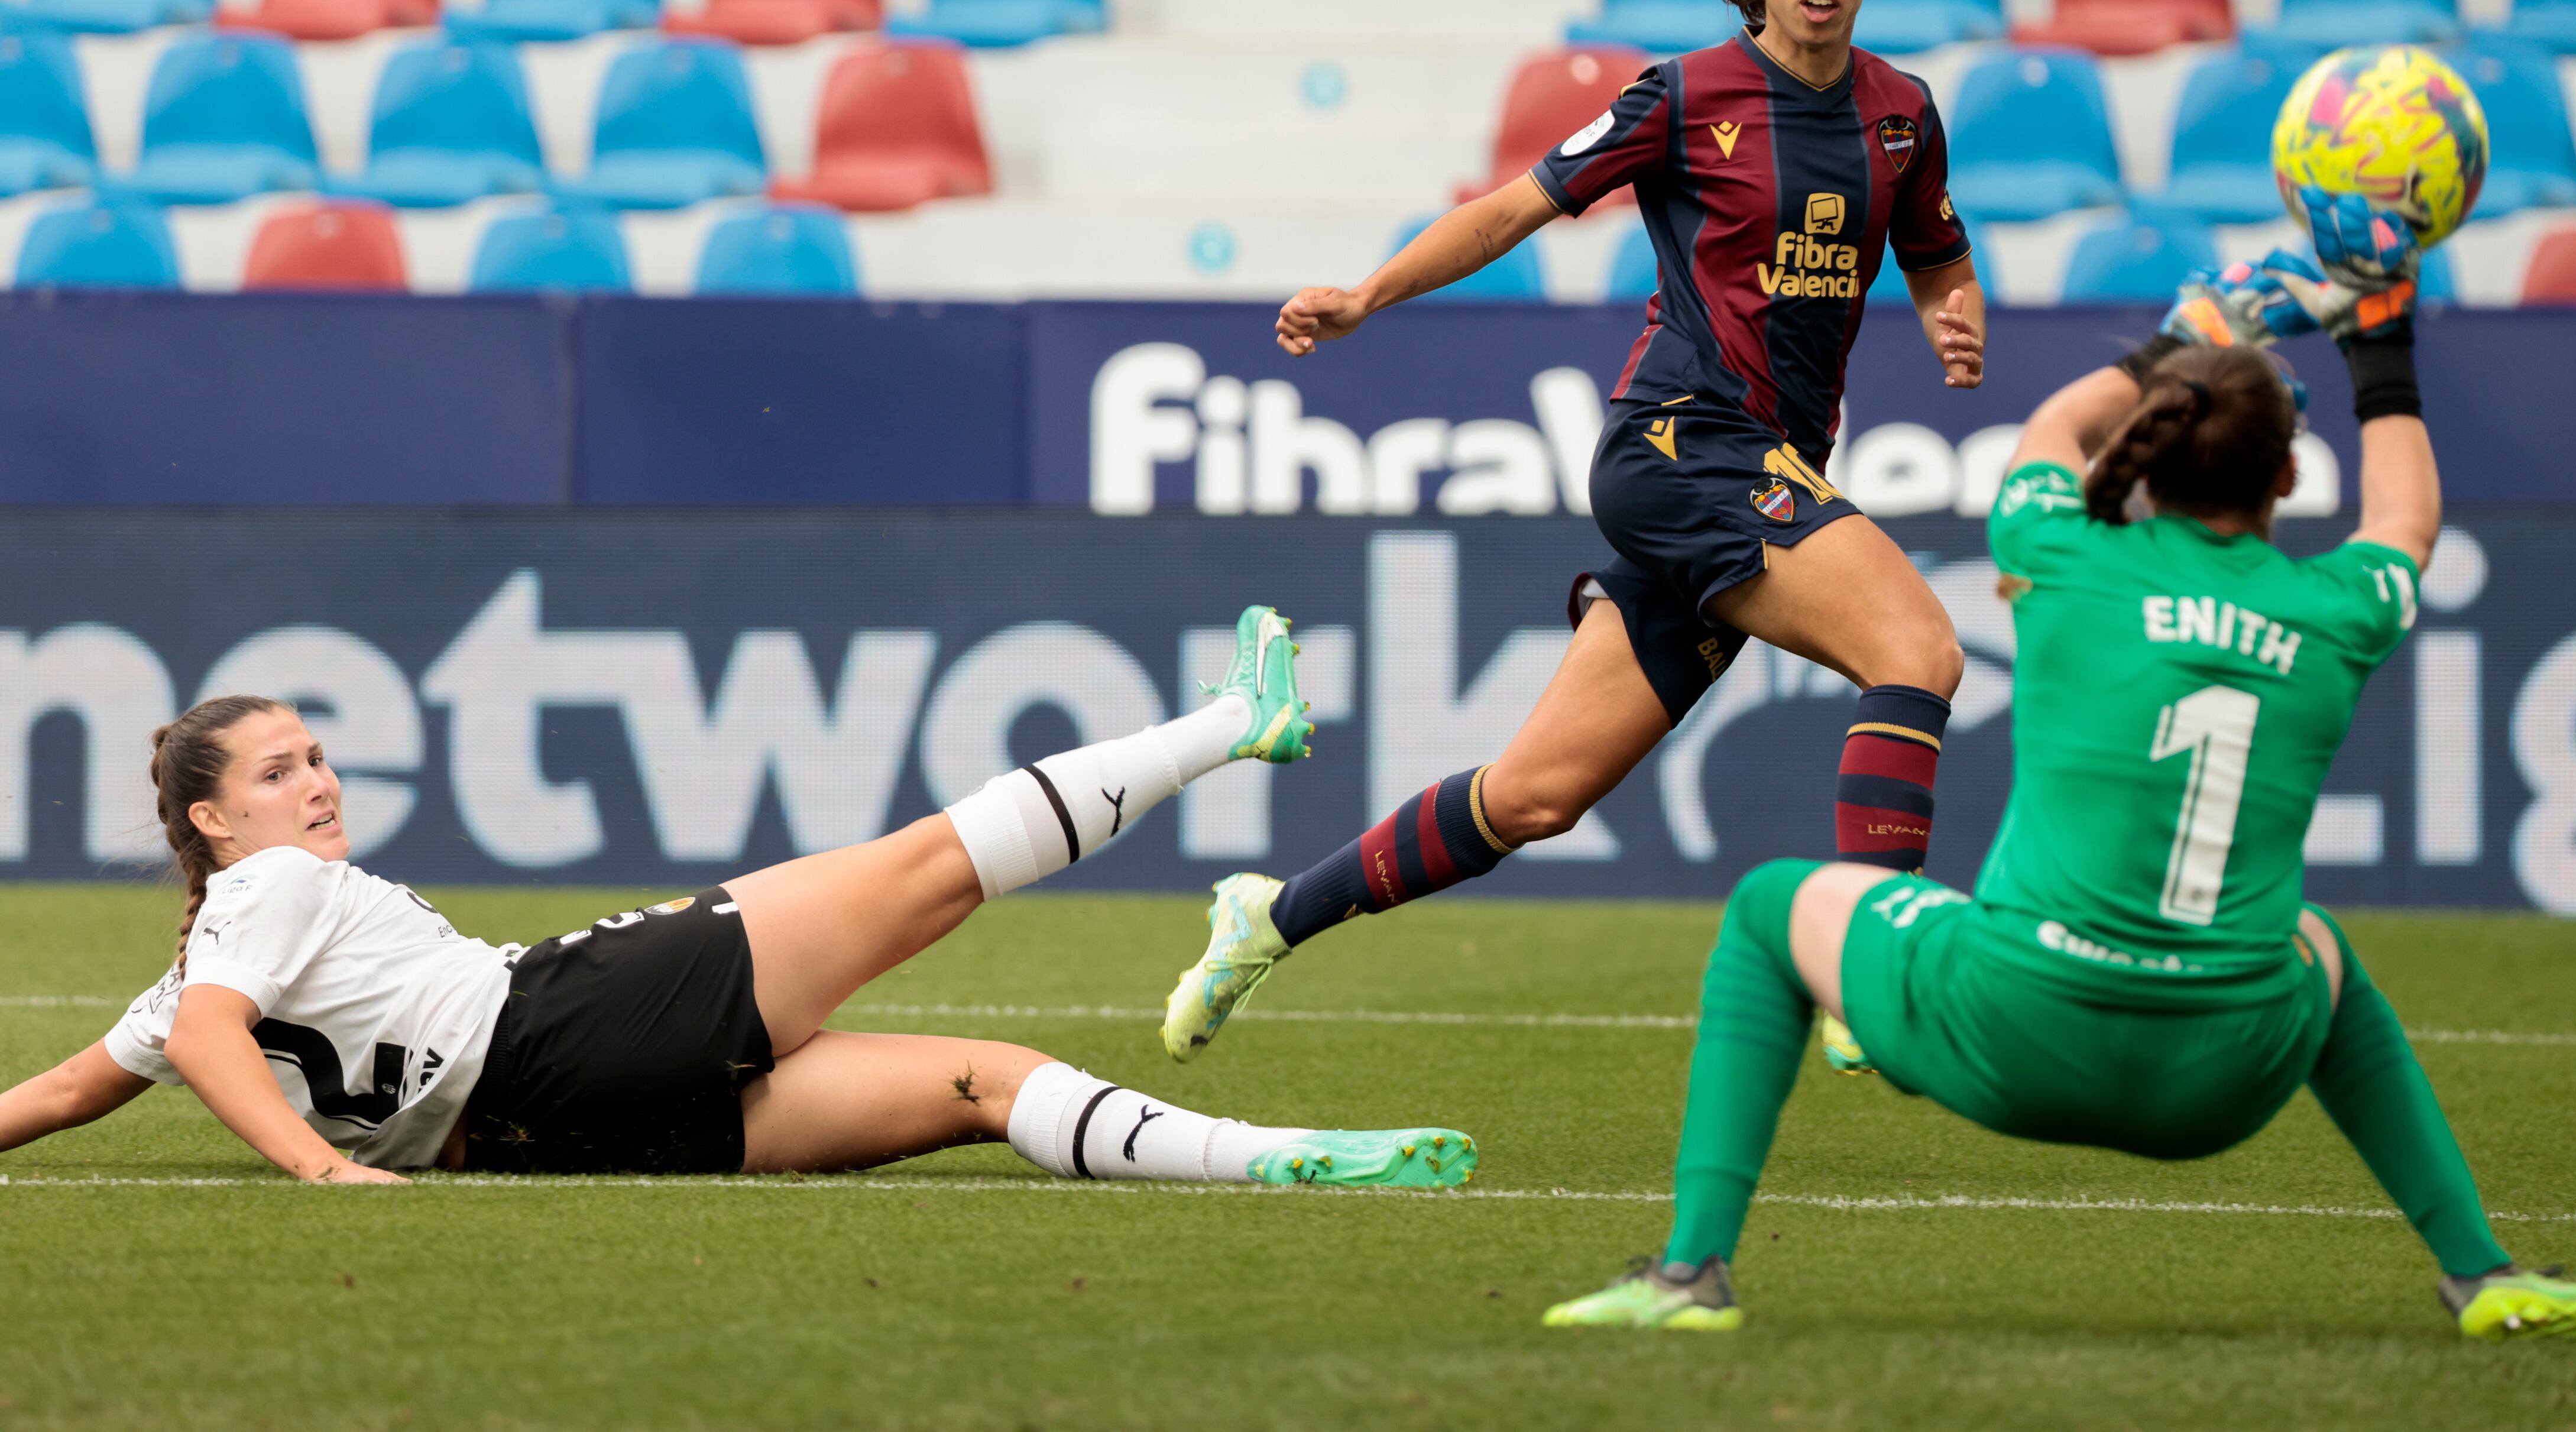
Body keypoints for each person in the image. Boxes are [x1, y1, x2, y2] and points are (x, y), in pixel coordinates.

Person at [1542, 221, 2576, 1341]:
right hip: (2225, 1076)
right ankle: (2483, 1273)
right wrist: (2382, 337)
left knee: (1769, 908)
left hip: (2016, 1032)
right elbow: (2406, 524)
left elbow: (2055, 431)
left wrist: (2184, 338)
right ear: (2290, 473)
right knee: (2318, 945)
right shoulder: (2336, 611)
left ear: (2152, 450)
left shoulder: (2060, 554)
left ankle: (1691, 1274)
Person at [1162, 0, 1989, 1065]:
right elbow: (1512, 208)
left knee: (1534, 797)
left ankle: (1268, 917)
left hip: (1765, 475)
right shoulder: (1684, 96)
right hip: (1682, 445)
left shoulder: (1902, 114)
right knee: (1916, 649)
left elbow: (1936, 257)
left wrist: (1954, 321)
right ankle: (1867, 965)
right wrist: (1368, 296)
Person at [0, 608, 1475, 1191]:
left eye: (316, 756)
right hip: (555, 1024)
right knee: (925, 871)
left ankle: (1286, 1159)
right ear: (212, 821)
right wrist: (321, 1174)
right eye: (276, 773)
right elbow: (211, 1036)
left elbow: (67, 1093)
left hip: (535, 1143)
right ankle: (1233, 723)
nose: (315, 785)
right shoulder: (260, 895)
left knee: (981, 1086)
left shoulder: (209, 952)